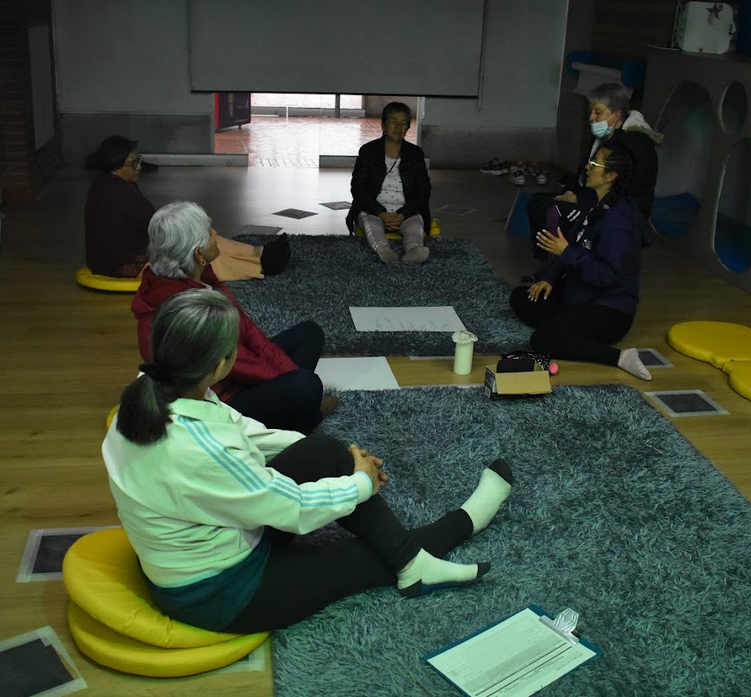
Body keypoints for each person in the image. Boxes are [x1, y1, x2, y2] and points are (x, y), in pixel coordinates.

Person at [104, 289, 513, 632]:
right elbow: (291, 508)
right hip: (220, 592)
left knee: (323, 449)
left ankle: (410, 561)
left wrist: (342, 460)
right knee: (364, 558)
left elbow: (243, 431)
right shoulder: (198, 449)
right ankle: (443, 540)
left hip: (217, 534)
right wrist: (360, 484)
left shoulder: (154, 387)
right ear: (219, 366)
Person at [132, 201, 334, 432]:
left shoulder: (201, 276)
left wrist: (287, 373)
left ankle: (298, 407)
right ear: (198, 253)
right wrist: (292, 382)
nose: (216, 234)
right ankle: (303, 418)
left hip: (231, 373)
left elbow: (249, 332)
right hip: (219, 404)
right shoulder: (188, 311)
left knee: (310, 333)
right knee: (306, 385)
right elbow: (240, 364)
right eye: (209, 233)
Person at [509, 144, 652, 381]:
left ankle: (619, 357)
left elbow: (607, 275)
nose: (587, 167)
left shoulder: (620, 222)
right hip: (579, 296)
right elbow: (571, 245)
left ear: (611, 176)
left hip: (609, 309)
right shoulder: (594, 204)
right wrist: (549, 278)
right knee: (522, 298)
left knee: (542, 339)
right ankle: (567, 329)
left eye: (594, 164)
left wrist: (566, 253)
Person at [84, 135, 282, 280]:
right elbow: (155, 226)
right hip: (123, 264)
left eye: (139, 160)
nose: (140, 167)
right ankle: (258, 268)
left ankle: (258, 254)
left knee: (205, 238)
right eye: (133, 163)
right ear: (117, 166)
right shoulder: (120, 193)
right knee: (198, 251)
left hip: (115, 256)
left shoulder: (108, 183)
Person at [525, 83, 661, 270]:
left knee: (556, 211)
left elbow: (623, 192)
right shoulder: (602, 136)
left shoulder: (634, 146)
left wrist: (579, 198)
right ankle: (548, 264)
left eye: (598, 112)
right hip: (594, 196)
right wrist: (572, 191)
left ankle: (560, 268)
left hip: (620, 207)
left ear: (616, 115)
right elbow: (585, 172)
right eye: (591, 111)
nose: (591, 118)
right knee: (537, 202)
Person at [346, 102, 432, 265]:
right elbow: (358, 188)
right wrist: (380, 212)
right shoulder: (368, 151)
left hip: (406, 211)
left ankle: (413, 250)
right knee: (372, 225)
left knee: (414, 226)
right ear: (383, 125)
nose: (398, 127)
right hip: (374, 210)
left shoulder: (415, 154)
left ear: (407, 128)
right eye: (394, 121)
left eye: (403, 123)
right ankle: (383, 250)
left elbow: (424, 190)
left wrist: (404, 213)